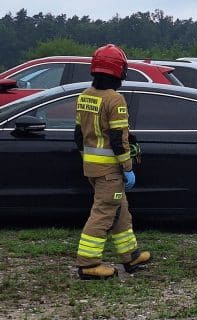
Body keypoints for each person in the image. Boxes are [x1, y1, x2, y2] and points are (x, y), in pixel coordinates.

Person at [74, 44, 150, 279]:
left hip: (93, 168)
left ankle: (130, 255)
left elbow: (78, 136)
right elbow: (118, 139)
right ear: (119, 72)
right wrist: (127, 168)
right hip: (111, 171)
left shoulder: (85, 96)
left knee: (120, 211)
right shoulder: (115, 99)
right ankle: (88, 264)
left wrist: (89, 161)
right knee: (104, 213)